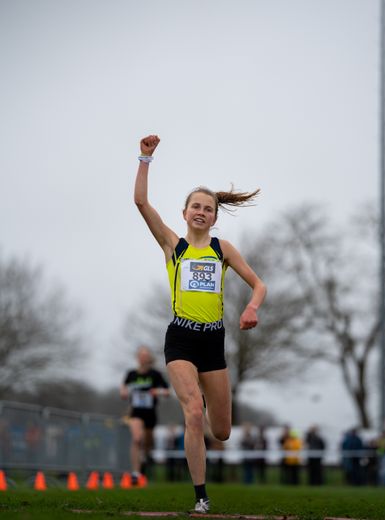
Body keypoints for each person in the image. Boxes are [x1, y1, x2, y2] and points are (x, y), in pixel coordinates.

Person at [134, 134, 267, 513]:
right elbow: (141, 203)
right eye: (196, 206)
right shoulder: (172, 246)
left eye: (208, 209)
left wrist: (252, 308)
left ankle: (204, 420)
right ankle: (201, 497)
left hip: (213, 343)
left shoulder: (221, 249)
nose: (201, 212)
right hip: (180, 339)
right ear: (185, 212)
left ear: (214, 216)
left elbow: (259, 284)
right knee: (193, 411)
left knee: (221, 431)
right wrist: (145, 158)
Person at [120, 345, 170, 485]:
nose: (143, 358)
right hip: (135, 411)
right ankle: (135, 473)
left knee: (147, 443)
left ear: (149, 359)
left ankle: (144, 457)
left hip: (150, 412)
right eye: (141, 356)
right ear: (137, 358)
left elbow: (167, 391)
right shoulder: (131, 374)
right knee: (136, 439)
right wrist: (123, 392)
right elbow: (123, 389)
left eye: (145, 356)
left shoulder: (155, 374)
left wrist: (157, 392)